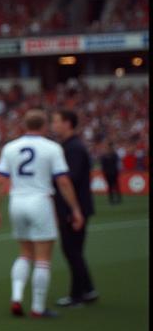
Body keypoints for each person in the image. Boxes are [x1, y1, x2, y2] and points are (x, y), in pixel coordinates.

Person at [0, 109, 84, 318]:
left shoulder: (10, 147)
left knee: (24, 254)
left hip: (17, 202)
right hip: (40, 201)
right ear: (44, 126)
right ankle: (38, 308)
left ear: (24, 125)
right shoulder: (52, 147)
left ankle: (16, 297)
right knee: (43, 258)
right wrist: (75, 209)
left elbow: (1, 181)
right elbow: (63, 181)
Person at [50, 108, 98, 306]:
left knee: (72, 250)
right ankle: (88, 289)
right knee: (74, 250)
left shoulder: (73, 148)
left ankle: (77, 294)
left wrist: (72, 209)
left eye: (56, 121)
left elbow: (71, 178)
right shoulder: (69, 146)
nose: (53, 125)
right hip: (72, 206)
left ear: (67, 123)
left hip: (73, 207)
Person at [100, 139, 121, 205]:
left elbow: (117, 163)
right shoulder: (105, 155)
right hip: (108, 173)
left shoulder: (114, 154)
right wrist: (104, 172)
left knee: (115, 185)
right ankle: (111, 199)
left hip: (113, 172)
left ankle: (118, 198)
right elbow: (103, 165)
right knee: (110, 186)